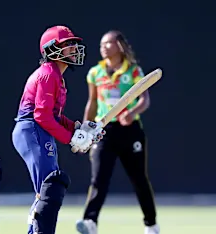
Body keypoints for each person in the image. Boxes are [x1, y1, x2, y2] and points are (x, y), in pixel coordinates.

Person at [12, 25, 106, 234]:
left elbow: (54, 117)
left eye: (74, 44)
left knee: (47, 190)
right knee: (52, 185)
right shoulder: (48, 74)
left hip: (37, 130)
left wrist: (78, 128)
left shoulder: (56, 76)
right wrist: (71, 139)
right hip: (31, 130)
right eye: (68, 44)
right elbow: (41, 115)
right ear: (51, 48)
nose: (74, 48)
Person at [75, 30, 159, 234]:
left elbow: (144, 100)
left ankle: (151, 224)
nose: (103, 47)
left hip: (130, 130)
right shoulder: (95, 72)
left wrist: (132, 113)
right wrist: (86, 129)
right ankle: (90, 221)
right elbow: (92, 102)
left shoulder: (133, 71)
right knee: (99, 178)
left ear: (119, 45)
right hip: (104, 131)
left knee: (139, 179)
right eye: (101, 44)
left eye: (108, 43)